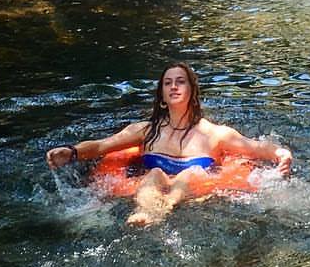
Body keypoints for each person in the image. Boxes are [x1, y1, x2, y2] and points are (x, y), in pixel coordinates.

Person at [46, 63, 292, 226]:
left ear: (192, 91)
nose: (173, 86)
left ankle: (158, 212)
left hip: (194, 192)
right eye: (168, 83)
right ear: (162, 95)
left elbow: (257, 148)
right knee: (154, 173)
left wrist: (281, 153)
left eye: (180, 81)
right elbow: (101, 146)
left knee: (188, 173)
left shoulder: (214, 134)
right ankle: (149, 212)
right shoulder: (145, 131)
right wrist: (72, 152)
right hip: (151, 185)